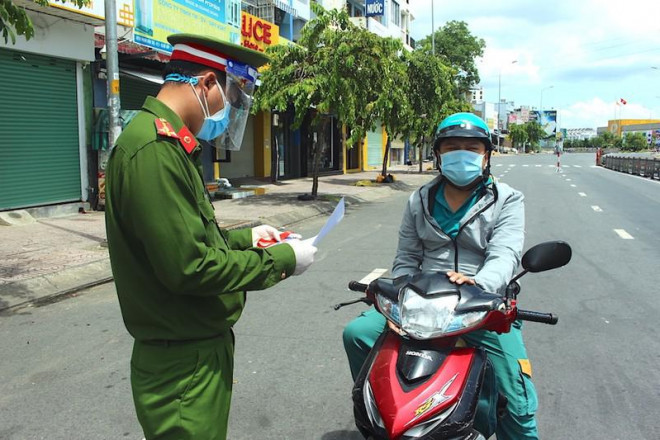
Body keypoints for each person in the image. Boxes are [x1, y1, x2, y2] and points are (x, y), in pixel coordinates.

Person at [105, 34, 317, 440]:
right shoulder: (153, 150)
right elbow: (189, 266)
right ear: (204, 83)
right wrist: (285, 260)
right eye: (228, 96)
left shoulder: (170, 146)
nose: (226, 110)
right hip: (182, 364)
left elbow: (187, 237)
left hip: (194, 350)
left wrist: (248, 237)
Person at [343, 112, 539, 439]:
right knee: (357, 332)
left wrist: (481, 284)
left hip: (479, 307)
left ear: (486, 154)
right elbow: (406, 257)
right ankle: (378, 406)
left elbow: (505, 253)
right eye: (452, 147)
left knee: (516, 400)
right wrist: (399, 301)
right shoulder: (418, 200)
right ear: (438, 154)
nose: (461, 153)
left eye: (471, 148)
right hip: (422, 303)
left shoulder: (507, 200)